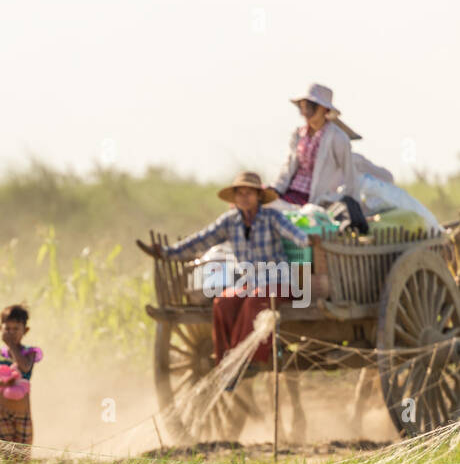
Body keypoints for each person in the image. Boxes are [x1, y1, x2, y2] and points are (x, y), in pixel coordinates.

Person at [137, 172, 308, 372]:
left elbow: (296, 234)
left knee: (255, 300)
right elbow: (200, 241)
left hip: (279, 283)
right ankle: (225, 361)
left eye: (249, 193)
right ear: (234, 198)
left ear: (258, 196)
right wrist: (167, 253)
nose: (245, 197)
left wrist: (306, 240)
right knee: (223, 302)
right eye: (240, 193)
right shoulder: (229, 222)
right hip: (251, 283)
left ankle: (246, 359)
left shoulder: (272, 218)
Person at [271, 84, 359, 208]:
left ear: (324, 109)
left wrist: (352, 206)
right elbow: (288, 167)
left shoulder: (337, 138)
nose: (305, 112)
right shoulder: (298, 135)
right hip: (291, 192)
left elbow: (350, 175)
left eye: (310, 107)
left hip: (315, 200)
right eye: (302, 108)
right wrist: (275, 189)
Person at [0, 304, 42, 461]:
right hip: (2, 412)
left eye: (16, 329)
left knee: (23, 456)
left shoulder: (29, 353)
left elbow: (24, 367)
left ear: (25, 330)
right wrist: (2, 382)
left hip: (23, 415)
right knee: (7, 454)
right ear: (0, 329)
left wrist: (11, 345)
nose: (11, 333)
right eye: (7, 329)